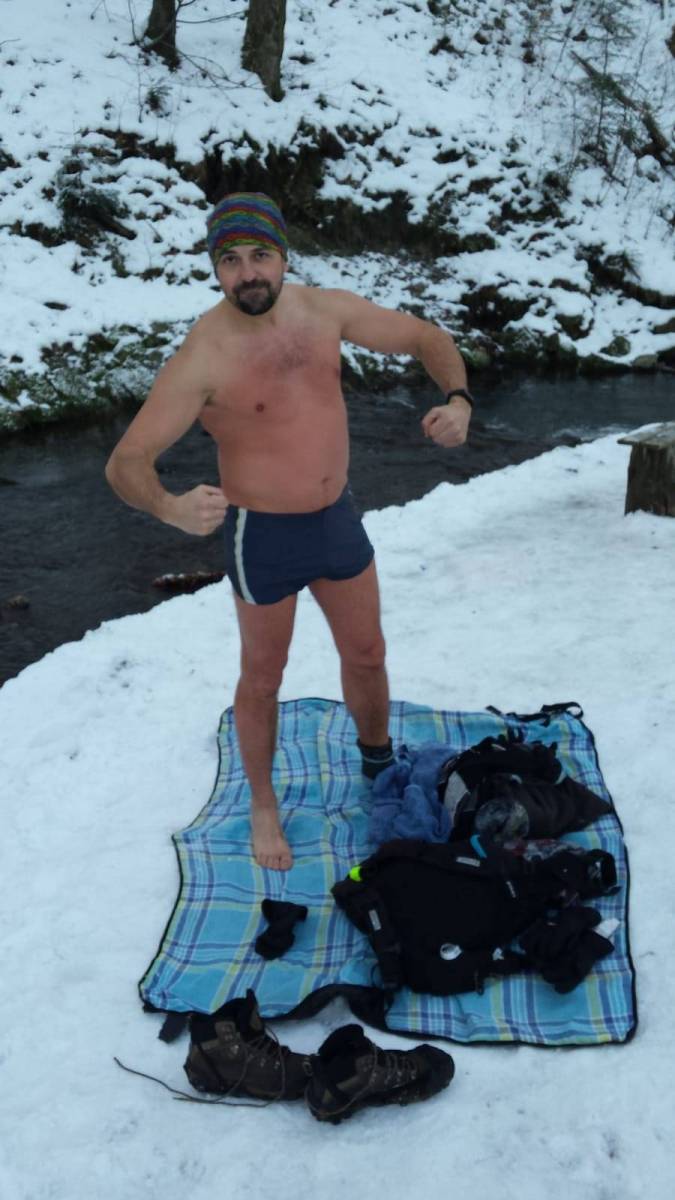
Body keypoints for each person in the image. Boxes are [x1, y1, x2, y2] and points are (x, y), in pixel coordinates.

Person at [105, 192, 473, 871]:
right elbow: (126, 462)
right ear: (216, 269)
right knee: (262, 678)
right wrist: (168, 507)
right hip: (263, 538)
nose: (247, 273)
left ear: (282, 256)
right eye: (230, 261)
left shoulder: (324, 311)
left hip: (336, 520)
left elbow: (427, 337)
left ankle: (376, 763)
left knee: (367, 653)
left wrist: (458, 400)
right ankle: (263, 804)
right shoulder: (203, 355)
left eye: (259, 255)